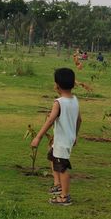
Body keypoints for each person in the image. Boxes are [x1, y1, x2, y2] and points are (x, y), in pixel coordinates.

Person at [31, 68, 82, 206]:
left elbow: (50, 121)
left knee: (62, 167)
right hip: (66, 139)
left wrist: (38, 137)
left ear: (57, 85)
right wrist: (75, 136)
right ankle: (57, 184)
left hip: (63, 142)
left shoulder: (58, 102)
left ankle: (65, 197)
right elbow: (79, 120)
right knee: (51, 156)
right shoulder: (75, 100)